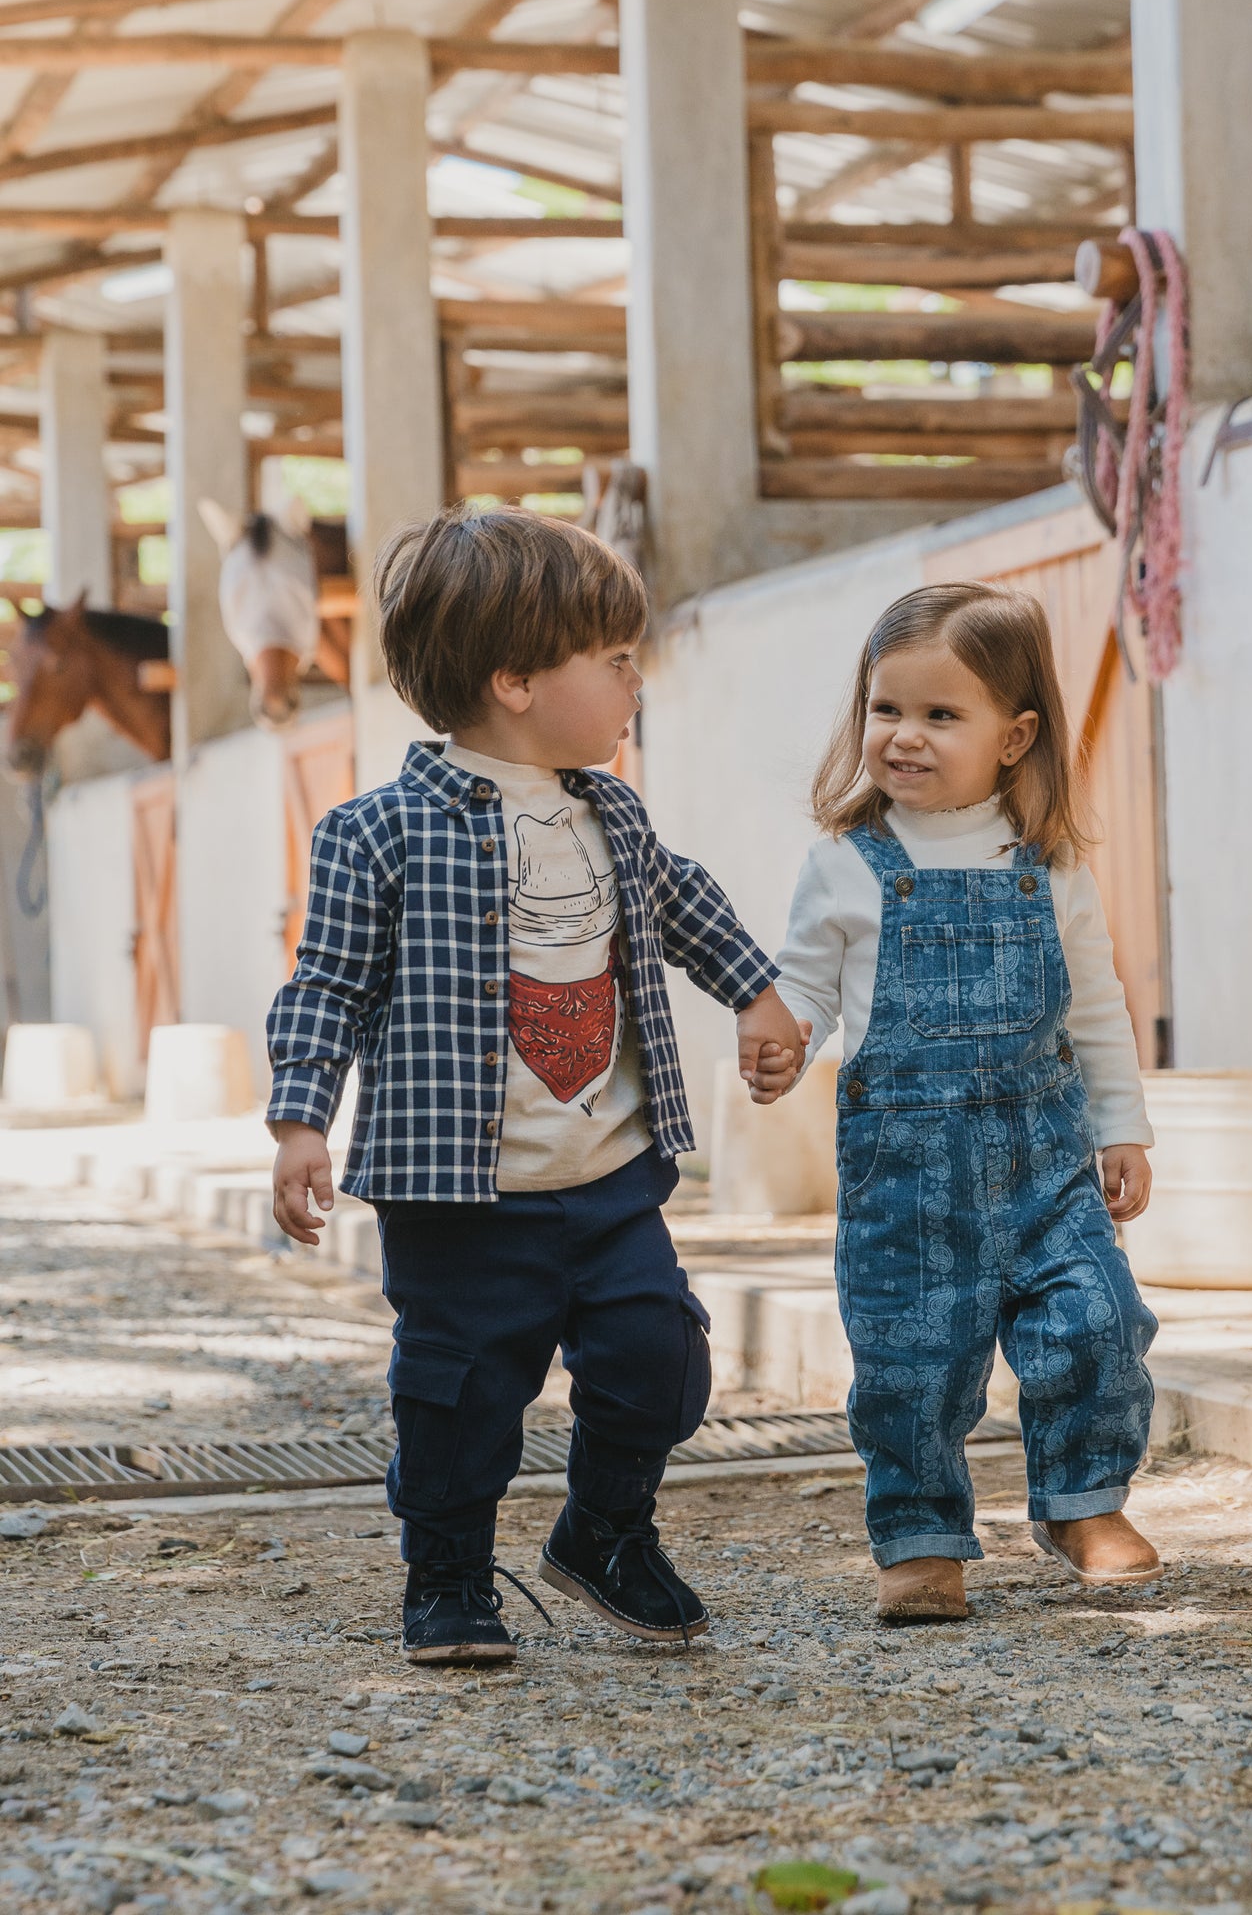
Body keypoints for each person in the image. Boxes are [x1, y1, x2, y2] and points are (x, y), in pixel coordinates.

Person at [266, 506, 804, 1665]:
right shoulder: (379, 832)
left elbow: (683, 903)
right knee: (459, 1394)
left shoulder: (612, 813)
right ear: (513, 678)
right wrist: (300, 1114)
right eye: (613, 663)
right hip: (461, 1191)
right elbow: (327, 983)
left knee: (659, 1362)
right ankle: (449, 1575)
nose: (633, 688)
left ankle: (604, 1531)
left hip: (609, 1176)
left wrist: (757, 993)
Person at [749, 581, 1160, 1623]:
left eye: (940, 714)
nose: (904, 736)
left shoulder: (1048, 865)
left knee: (1095, 1319)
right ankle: (921, 1534)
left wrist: (1121, 1124)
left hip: (1043, 1154)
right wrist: (781, 1036)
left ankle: (1079, 1500)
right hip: (906, 1171)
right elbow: (801, 983)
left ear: (1015, 735)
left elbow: (1097, 1004)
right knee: (908, 1356)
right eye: (886, 709)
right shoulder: (842, 863)